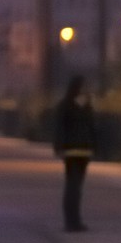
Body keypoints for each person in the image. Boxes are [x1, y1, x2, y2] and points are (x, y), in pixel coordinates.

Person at [52, 75, 96, 232]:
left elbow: (59, 127)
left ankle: (71, 221)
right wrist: (95, 146)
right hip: (83, 150)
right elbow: (92, 127)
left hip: (71, 150)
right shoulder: (86, 106)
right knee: (76, 187)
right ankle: (74, 221)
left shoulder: (65, 104)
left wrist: (58, 147)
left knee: (72, 186)